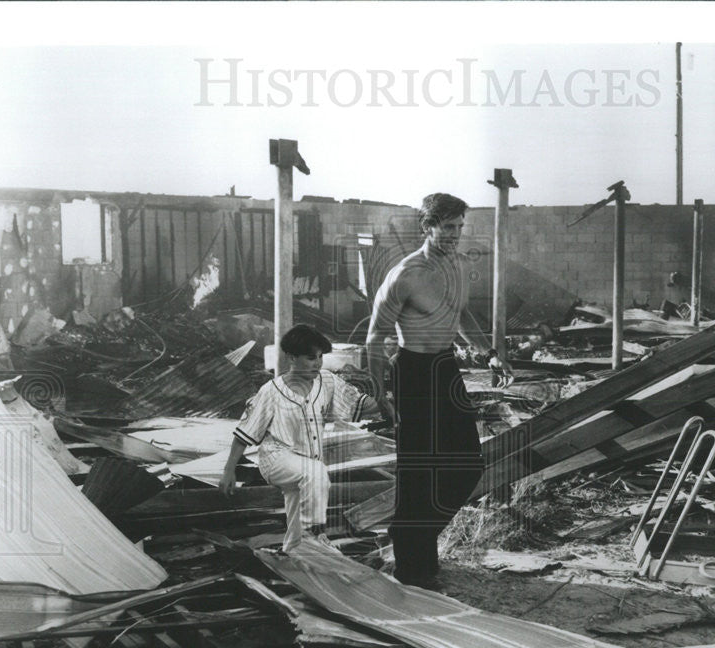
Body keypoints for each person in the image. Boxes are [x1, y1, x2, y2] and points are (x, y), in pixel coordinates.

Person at [366, 192, 514, 587]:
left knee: (467, 464)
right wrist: (380, 393)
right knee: (419, 472)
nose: (455, 235)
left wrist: (490, 354)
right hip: (412, 370)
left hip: (445, 367)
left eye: (460, 227)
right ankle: (414, 566)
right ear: (427, 226)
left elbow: (460, 312)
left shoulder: (458, 267)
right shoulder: (405, 274)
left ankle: (409, 536)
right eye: (447, 227)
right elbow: (375, 337)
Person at [219, 324, 372, 553]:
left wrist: (400, 398)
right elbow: (245, 432)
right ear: (291, 357)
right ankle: (314, 535)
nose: (318, 363)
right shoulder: (271, 391)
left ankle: (294, 553)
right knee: (315, 473)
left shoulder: (326, 381)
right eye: (311, 358)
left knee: (299, 499)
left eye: (320, 357)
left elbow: (360, 404)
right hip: (276, 459)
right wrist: (228, 470)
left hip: (305, 461)